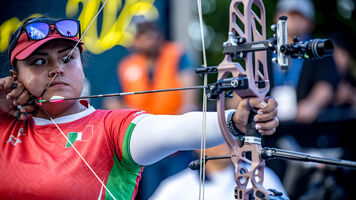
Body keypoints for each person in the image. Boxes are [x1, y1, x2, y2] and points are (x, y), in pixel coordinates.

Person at [0, 17, 279, 199]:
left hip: (169, 151)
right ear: (14, 77)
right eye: (38, 62)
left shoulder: (111, 128)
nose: (56, 69)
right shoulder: (6, 123)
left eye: (67, 58)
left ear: (81, 65)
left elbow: (172, 129)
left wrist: (235, 120)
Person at [103, 21, 199, 115]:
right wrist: (132, 117)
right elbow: (111, 101)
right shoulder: (126, 65)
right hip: (140, 124)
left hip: (174, 120)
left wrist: (187, 112)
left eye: (150, 32)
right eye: (141, 34)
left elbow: (188, 85)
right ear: (134, 40)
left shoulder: (176, 54)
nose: (147, 38)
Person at [270, 0, 339, 124]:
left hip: (306, 128)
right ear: (276, 18)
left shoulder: (319, 50)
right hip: (269, 127)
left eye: (300, 16)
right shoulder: (265, 50)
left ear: (310, 23)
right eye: (289, 15)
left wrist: (313, 104)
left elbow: (325, 85)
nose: (294, 20)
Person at [149, 143, 288, 200]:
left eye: (229, 134)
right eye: (217, 137)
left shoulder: (259, 176)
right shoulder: (175, 186)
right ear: (198, 146)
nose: (226, 142)